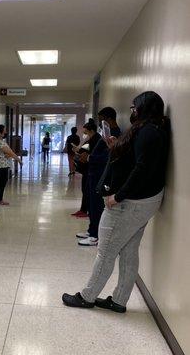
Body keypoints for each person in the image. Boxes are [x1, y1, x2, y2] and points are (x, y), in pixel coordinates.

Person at [63, 91, 169, 313]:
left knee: (106, 250)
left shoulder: (148, 132)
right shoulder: (152, 130)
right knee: (129, 251)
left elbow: (141, 169)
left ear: (143, 109)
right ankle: (119, 300)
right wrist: (115, 147)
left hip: (130, 203)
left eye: (134, 108)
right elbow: (136, 161)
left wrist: (117, 196)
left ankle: (87, 296)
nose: (131, 112)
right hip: (145, 201)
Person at [77, 108, 121, 246]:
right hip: (93, 173)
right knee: (92, 203)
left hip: (100, 174)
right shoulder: (105, 133)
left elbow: (107, 157)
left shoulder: (115, 135)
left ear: (108, 119)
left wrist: (89, 157)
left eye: (101, 119)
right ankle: (91, 230)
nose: (100, 123)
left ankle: (96, 235)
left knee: (97, 205)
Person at [71, 120, 101, 218]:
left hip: (90, 168)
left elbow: (89, 152)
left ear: (91, 130)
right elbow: (84, 149)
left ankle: (85, 210)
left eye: (85, 132)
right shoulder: (90, 139)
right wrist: (78, 150)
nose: (84, 134)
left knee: (87, 190)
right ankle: (83, 209)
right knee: (85, 189)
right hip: (86, 169)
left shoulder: (96, 139)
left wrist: (80, 151)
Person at [0, 124, 22, 205]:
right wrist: (19, 160)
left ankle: (0, 199)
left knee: (2, 182)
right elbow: (10, 152)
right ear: (0, 133)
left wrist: (9, 154)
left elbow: (8, 153)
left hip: (3, 165)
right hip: (1, 166)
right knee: (1, 183)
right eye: (4, 130)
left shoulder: (2, 141)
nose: (6, 132)